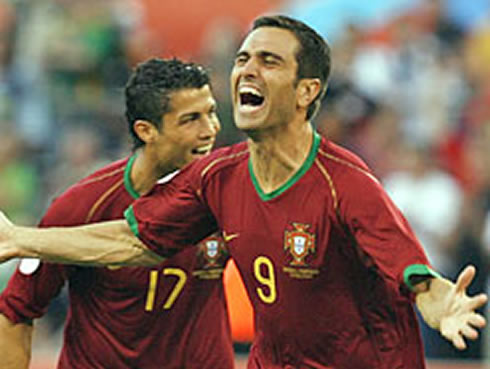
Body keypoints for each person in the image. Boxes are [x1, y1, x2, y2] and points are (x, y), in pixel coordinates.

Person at [0, 15, 487, 369]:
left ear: (306, 92)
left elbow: (413, 272)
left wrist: (439, 300)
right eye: (242, 59)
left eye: (269, 61)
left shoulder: (347, 185)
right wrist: (23, 239)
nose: (247, 70)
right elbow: (136, 241)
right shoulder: (219, 176)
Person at [0, 58, 234, 369]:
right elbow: (16, 310)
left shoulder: (228, 192)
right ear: (146, 130)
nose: (210, 130)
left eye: (211, 112)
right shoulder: (82, 207)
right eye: (191, 119)